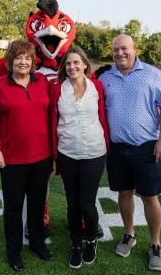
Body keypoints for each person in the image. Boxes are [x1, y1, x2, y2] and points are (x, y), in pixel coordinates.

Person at [98, 34, 161, 271]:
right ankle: (129, 233)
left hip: (146, 147)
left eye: (124, 49)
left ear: (134, 49)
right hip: (118, 149)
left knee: (150, 196)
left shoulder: (152, 74)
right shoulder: (105, 77)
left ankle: (155, 244)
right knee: (124, 193)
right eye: (115, 50)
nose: (120, 53)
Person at [0, 40, 53, 272]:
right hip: (12, 161)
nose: (23, 62)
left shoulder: (42, 82)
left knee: (36, 205)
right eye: (19, 57)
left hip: (41, 157)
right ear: (10, 61)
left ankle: (37, 244)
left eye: (28, 58)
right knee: (13, 210)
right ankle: (14, 253)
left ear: (33, 62)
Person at [49, 46, 109, 269]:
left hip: (95, 152)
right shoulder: (56, 89)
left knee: (86, 203)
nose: (72, 66)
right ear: (64, 67)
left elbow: (105, 115)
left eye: (76, 62)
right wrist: (53, 155)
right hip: (67, 153)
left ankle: (91, 240)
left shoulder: (98, 87)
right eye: (68, 63)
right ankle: (76, 244)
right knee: (72, 203)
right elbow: (51, 121)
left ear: (85, 64)